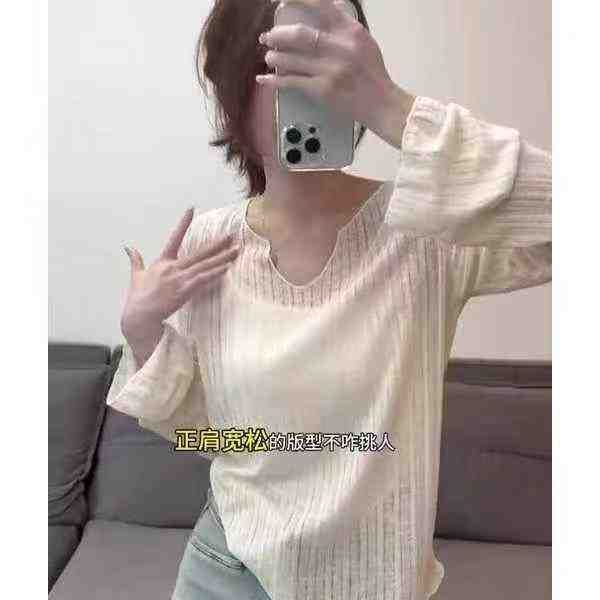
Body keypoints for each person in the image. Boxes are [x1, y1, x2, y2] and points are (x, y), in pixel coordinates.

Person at [106, 1, 552, 599]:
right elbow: (211, 437)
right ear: (235, 88)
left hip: (373, 583)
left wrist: (394, 109)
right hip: (227, 572)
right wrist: (143, 334)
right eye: (282, 61)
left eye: (326, 54)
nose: (309, 82)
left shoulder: (425, 231)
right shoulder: (209, 245)